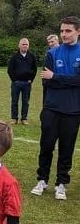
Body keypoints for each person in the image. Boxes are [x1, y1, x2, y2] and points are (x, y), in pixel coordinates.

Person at [31, 16, 80, 200]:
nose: (64, 34)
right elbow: (46, 81)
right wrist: (65, 80)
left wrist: (56, 77)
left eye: (68, 31)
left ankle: (61, 183)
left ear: (78, 31)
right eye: (62, 31)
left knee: (66, 148)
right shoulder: (52, 53)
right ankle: (42, 179)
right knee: (46, 146)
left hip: (73, 110)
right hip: (51, 108)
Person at [7, 38, 37, 125]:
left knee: (25, 102)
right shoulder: (14, 57)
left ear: (28, 46)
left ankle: (24, 118)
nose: (24, 46)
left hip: (27, 83)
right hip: (16, 83)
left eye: (26, 44)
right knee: (14, 101)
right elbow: (10, 70)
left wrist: (31, 80)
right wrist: (14, 80)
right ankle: (14, 118)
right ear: (19, 45)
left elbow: (34, 69)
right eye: (23, 44)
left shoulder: (32, 57)